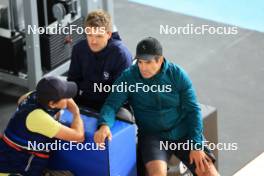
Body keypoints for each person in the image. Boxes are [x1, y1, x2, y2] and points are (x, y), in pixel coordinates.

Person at [94, 37, 219, 176]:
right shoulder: (128, 77)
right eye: (140, 62)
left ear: (159, 60)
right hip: (153, 136)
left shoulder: (177, 75)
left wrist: (196, 145)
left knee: (209, 173)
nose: (143, 67)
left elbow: (193, 111)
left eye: (147, 62)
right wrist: (104, 124)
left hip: (183, 132)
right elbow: (111, 104)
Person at [0, 76, 84, 175]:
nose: (69, 98)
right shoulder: (39, 118)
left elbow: (20, 101)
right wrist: (76, 113)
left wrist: (64, 99)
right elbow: (79, 136)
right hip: (14, 171)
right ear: (52, 103)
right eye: (65, 96)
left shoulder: (32, 96)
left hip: (8, 156)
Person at [67, 9, 132, 111]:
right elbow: (73, 81)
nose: (93, 41)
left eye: (98, 36)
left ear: (109, 34)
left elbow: (119, 95)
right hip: (85, 101)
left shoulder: (121, 56)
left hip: (113, 106)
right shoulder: (79, 49)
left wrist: (104, 120)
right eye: (90, 35)